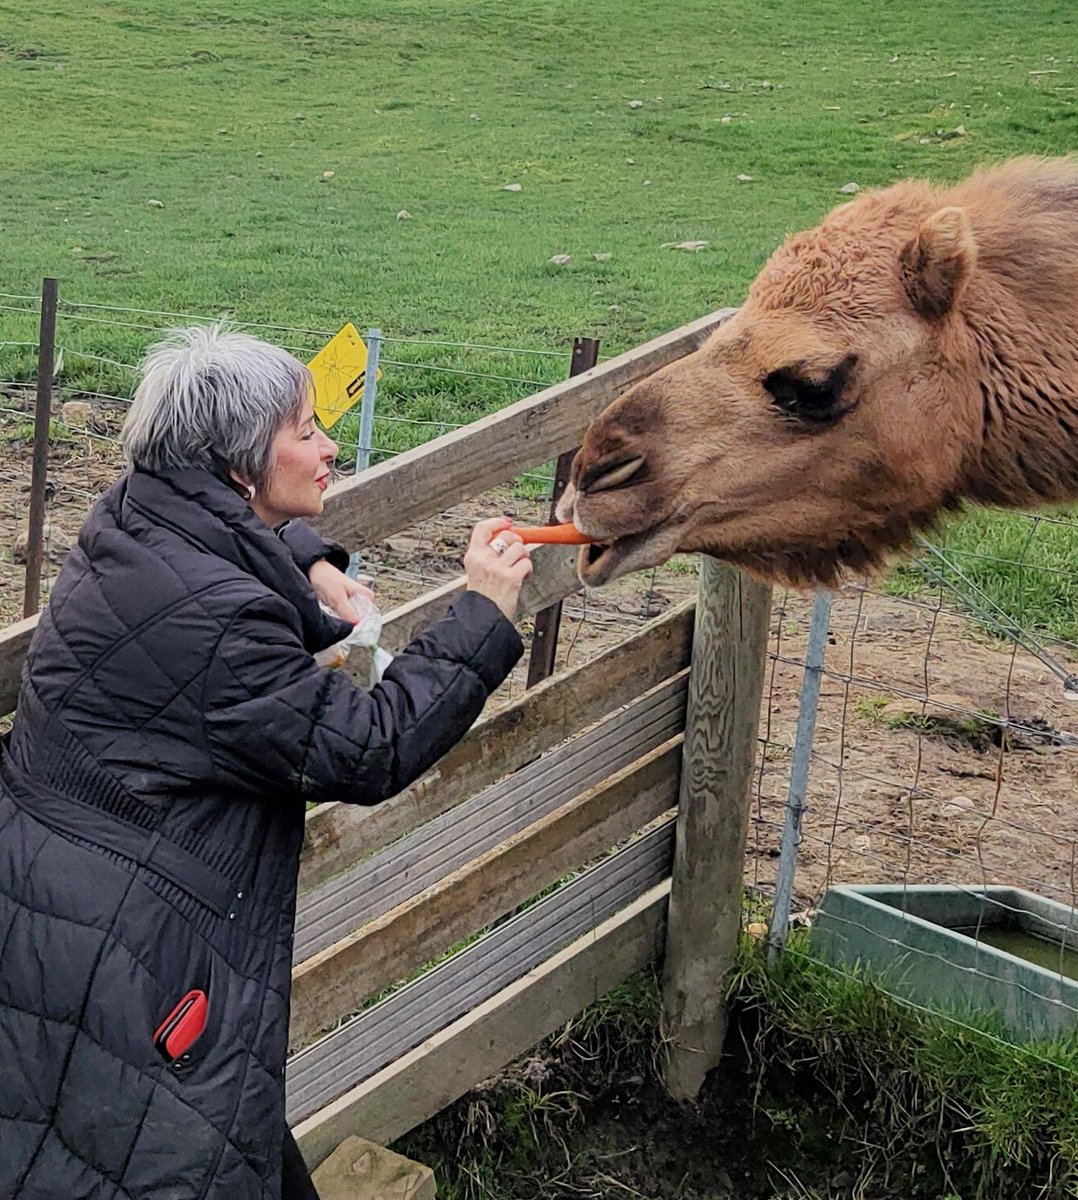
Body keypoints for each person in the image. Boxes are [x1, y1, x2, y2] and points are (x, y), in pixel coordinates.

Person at [0, 324, 533, 1200]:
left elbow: (212, 535)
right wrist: (482, 611)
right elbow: (370, 747)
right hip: (137, 960)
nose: (329, 447)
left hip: (65, 914)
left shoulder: (127, 521)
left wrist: (309, 560)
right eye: (305, 432)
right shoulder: (222, 626)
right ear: (243, 465)